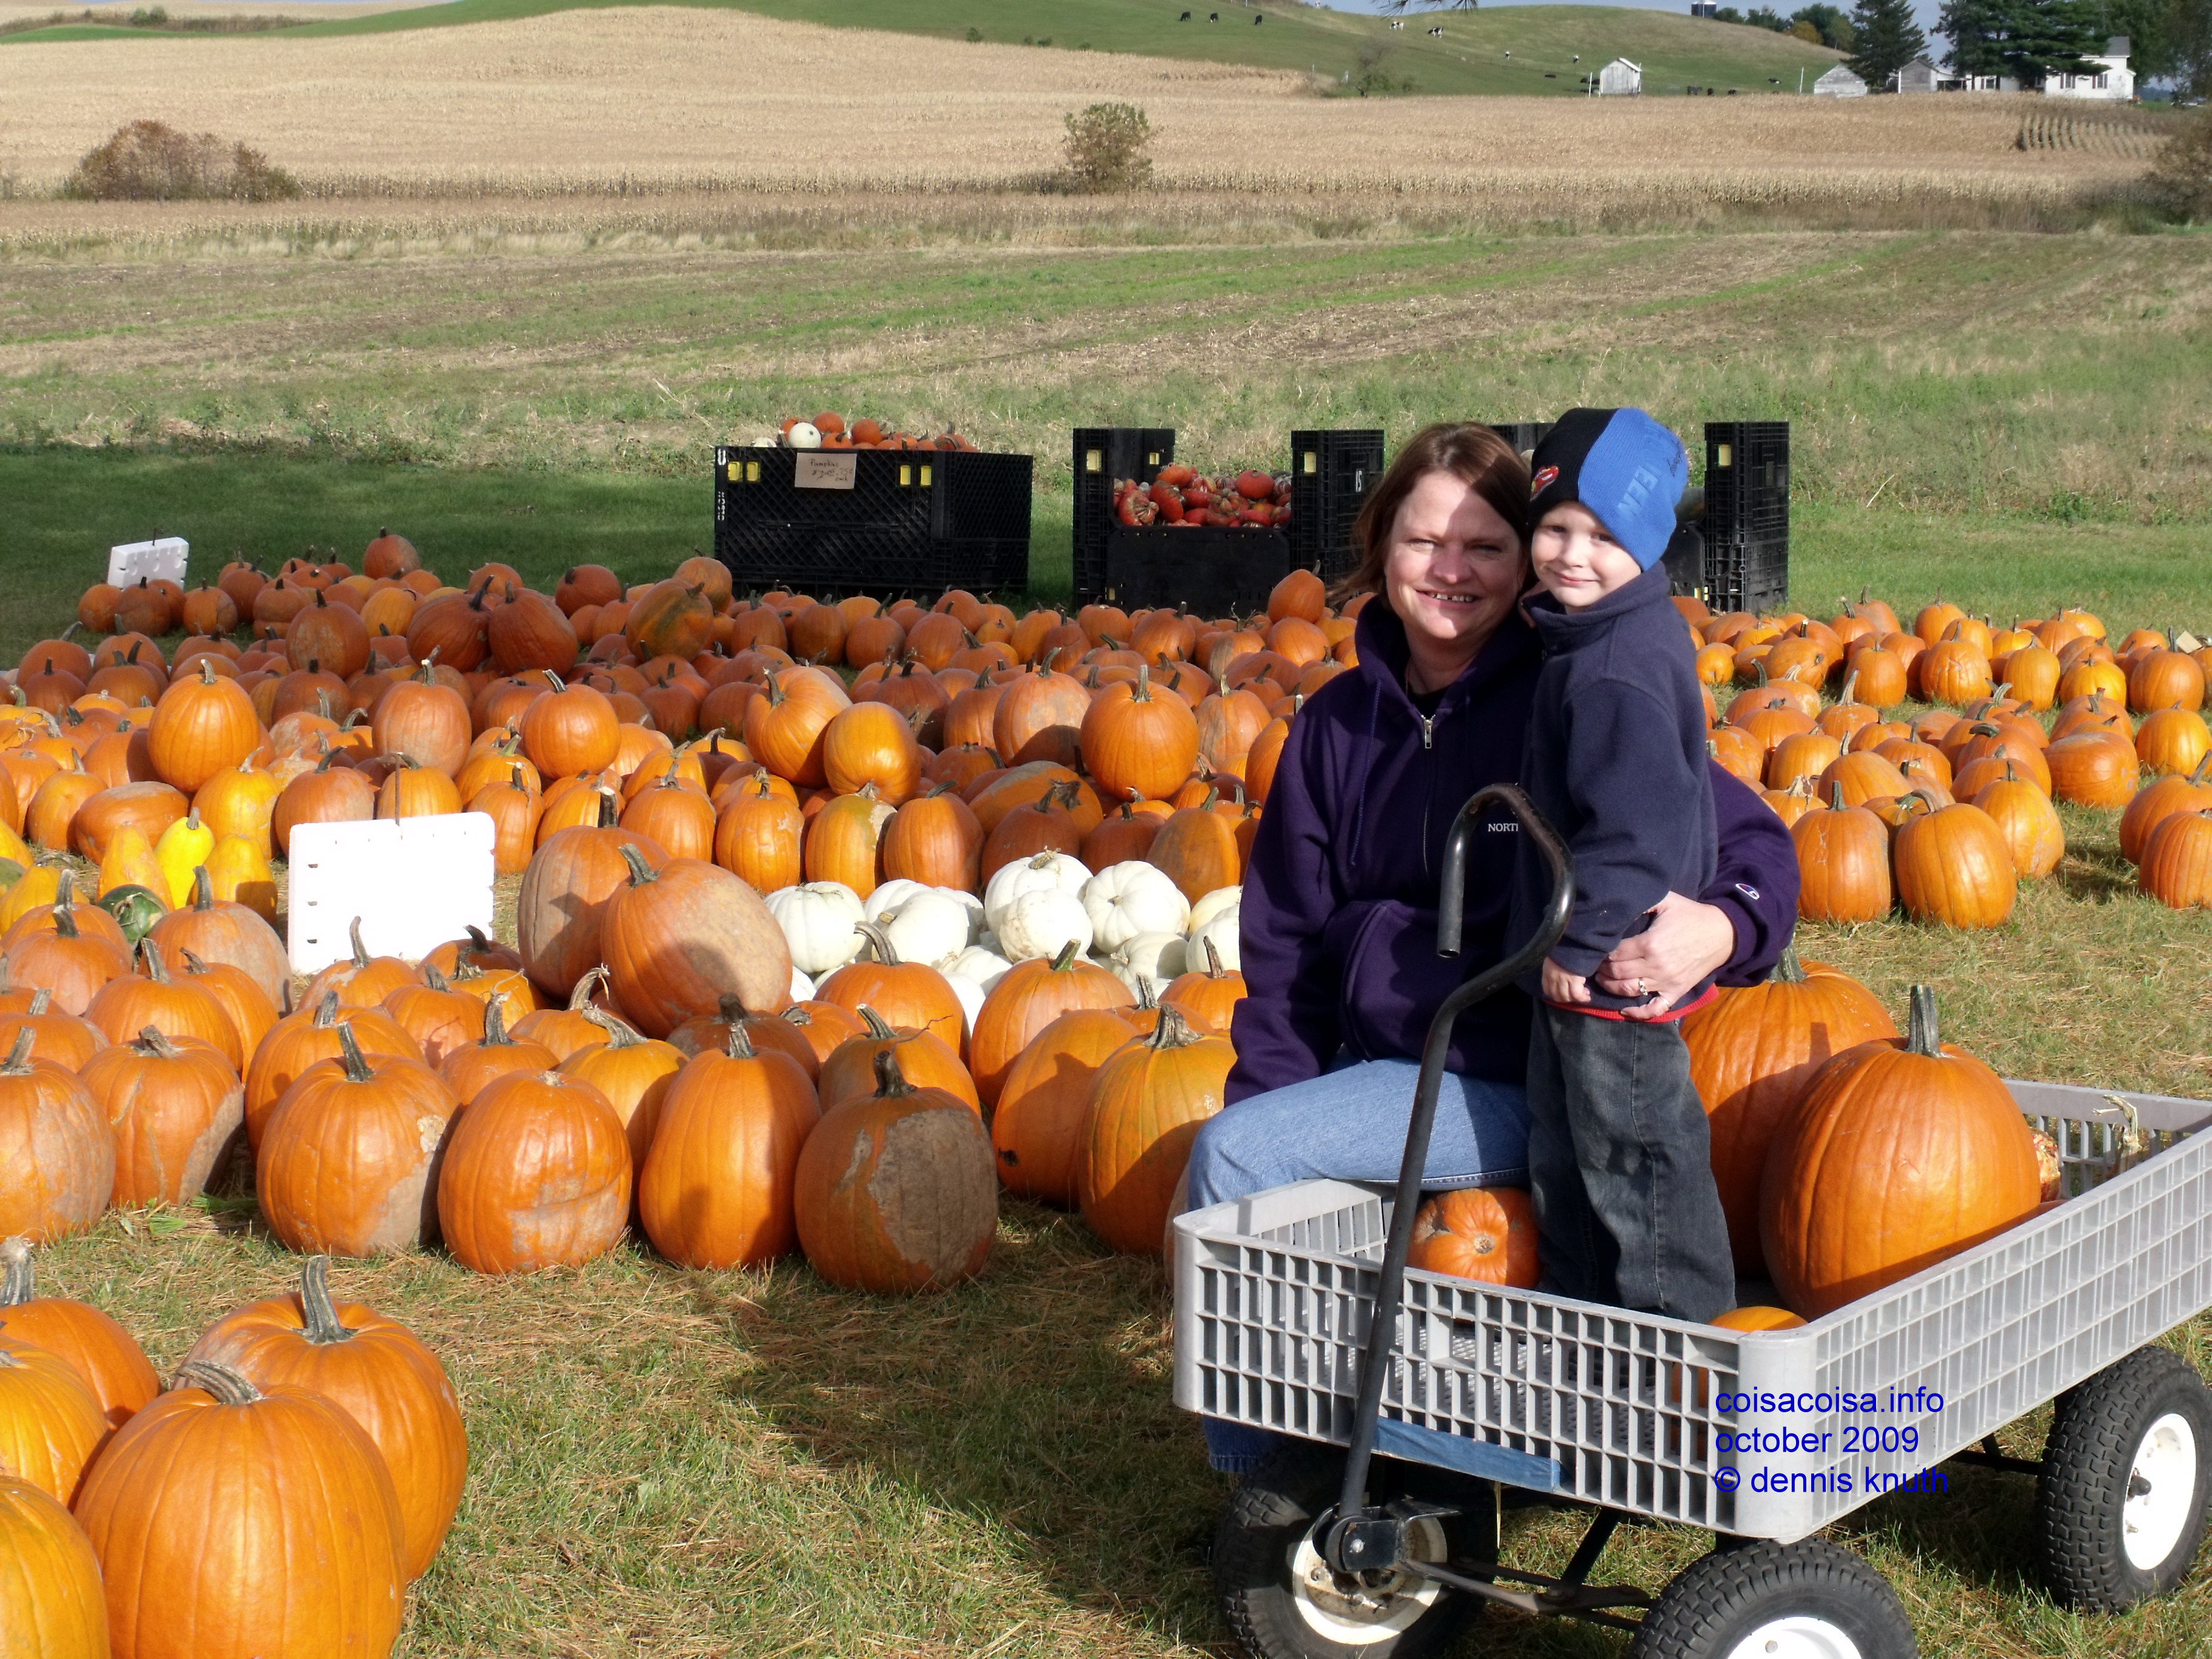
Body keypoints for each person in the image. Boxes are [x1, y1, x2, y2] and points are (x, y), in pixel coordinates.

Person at [1178, 422, 1798, 1473]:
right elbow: (1281, 948)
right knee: (1253, 1146)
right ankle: (1331, 1424)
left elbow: (1747, 841)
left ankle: (1272, 1493)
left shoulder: (1574, 691)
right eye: (1425, 544)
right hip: (1380, 1072)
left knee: (1233, 1160)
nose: (1452, 573)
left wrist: (1726, 923)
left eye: (1485, 548)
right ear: (1382, 551)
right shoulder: (1332, 730)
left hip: (1521, 1073)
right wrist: (1275, 1105)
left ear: (1527, 559)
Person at [1509, 408, 1734, 1326]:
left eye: (1604, 537)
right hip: (1584, 966)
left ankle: (1682, 1355)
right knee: (1567, 1153)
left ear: (1645, 544)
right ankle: (1588, 1333)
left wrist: (1576, 943)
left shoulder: (1612, 669)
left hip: (1612, 971)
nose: (1573, 554)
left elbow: (1636, 831)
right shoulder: (1598, 638)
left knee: (1636, 1161)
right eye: (1556, 527)